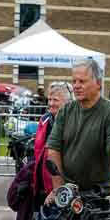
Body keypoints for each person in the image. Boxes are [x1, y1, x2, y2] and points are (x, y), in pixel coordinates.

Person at [45, 59, 110, 207]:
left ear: (98, 83)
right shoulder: (66, 111)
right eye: (74, 81)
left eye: (82, 81)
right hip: (70, 192)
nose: (76, 86)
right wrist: (58, 189)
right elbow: (53, 150)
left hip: (99, 193)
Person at [32, 81, 72, 209]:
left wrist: (57, 189)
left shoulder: (72, 121)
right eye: (49, 99)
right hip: (42, 183)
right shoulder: (44, 120)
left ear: (67, 102)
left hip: (62, 185)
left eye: (55, 100)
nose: (51, 103)